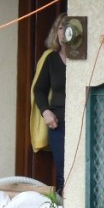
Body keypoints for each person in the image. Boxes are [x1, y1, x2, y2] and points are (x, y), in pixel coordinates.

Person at [32, 12, 69, 196]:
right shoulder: (50, 59)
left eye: (67, 28)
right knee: (63, 172)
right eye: (60, 28)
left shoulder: (82, 58)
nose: (63, 32)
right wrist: (45, 112)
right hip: (58, 124)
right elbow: (38, 89)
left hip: (80, 122)